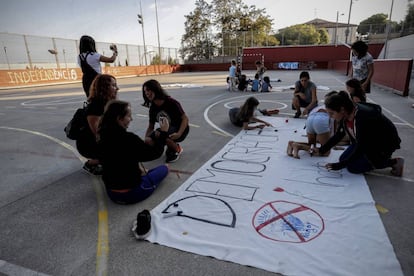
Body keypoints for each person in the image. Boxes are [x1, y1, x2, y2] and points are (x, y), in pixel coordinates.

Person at [313, 91, 403, 176]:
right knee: (343, 159)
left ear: (342, 109)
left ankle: (393, 162)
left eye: (332, 113)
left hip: (381, 145)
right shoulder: (345, 115)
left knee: (353, 167)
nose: (330, 116)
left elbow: (362, 147)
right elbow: (338, 135)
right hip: (365, 141)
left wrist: (341, 165)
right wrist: (322, 150)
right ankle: (372, 160)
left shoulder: (362, 118)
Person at [98, 100, 170, 204]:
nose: (131, 119)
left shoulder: (101, 136)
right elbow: (154, 153)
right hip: (132, 193)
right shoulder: (129, 139)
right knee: (165, 168)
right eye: (129, 116)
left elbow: (117, 157)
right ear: (119, 119)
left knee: (142, 169)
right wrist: (164, 133)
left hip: (111, 192)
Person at [76, 74, 119, 174]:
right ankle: (90, 164)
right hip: (87, 144)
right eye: (113, 85)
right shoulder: (95, 107)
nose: (117, 88)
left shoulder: (107, 104)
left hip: (98, 141)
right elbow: (98, 134)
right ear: (104, 88)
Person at [142, 79, 189, 163]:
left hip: (181, 128)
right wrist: (145, 141)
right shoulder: (153, 108)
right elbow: (150, 127)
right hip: (166, 130)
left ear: (155, 89)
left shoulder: (171, 102)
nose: (147, 93)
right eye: (145, 91)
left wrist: (179, 133)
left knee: (162, 136)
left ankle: (177, 149)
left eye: (148, 90)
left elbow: (185, 118)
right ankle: (169, 146)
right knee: (148, 140)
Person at [287, 91, 338, 159]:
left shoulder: (318, 107)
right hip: (321, 121)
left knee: (311, 145)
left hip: (310, 119)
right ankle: (299, 146)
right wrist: (332, 143)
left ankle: (293, 144)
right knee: (326, 152)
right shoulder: (333, 109)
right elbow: (333, 127)